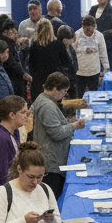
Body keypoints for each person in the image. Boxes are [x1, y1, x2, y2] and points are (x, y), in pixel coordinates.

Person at [29, 71, 85, 200]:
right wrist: (74, 126)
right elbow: (57, 133)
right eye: (64, 91)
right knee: (52, 197)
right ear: (55, 88)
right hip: (52, 163)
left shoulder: (43, 99)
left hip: (49, 158)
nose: (65, 94)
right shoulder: (47, 106)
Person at [0, 95, 29, 199]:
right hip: (3, 196)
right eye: (23, 112)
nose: (26, 116)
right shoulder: (1, 139)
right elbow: (2, 175)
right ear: (12, 115)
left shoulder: (11, 133)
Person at [28, 18, 75, 96]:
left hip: (39, 82)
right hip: (56, 81)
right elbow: (67, 64)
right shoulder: (59, 45)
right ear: (51, 30)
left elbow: (31, 66)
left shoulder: (34, 46)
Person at [74, 14, 110, 96]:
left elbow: (103, 53)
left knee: (94, 95)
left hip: (94, 71)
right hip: (80, 72)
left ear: (94, 26)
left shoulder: (99, 36)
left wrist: (107, 69)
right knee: (79, 95)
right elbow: (72, 54)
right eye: (86, 30)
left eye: (91, 30)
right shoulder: (76, 35)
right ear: (83, 26)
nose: (89, 32)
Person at [0, 18, 31, 97]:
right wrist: (24, 74)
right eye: (13, 31)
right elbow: (12, 62)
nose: (15, 33)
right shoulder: (6, 44)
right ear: (6, 32)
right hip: (11, 80)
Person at [17, 0, 44, 69]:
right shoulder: (23, 25)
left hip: (43, 55)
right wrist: (22, 41)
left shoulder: (46, 23)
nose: (32, 11)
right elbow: (18, 45)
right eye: (30, 9)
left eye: (35, 8)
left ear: (40, 11)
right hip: (27, 58)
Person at [57, 24, 81, 96]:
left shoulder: (71, 48)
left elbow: (75, 62)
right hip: (62, 81)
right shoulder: (58, 50)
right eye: (69, 39)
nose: (71, 41)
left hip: (72, 80)